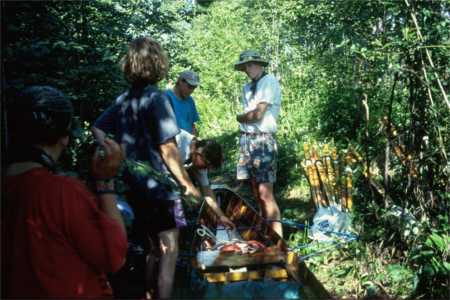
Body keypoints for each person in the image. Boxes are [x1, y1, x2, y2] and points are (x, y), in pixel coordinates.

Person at [92, 37, 202, 299]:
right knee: (169, 248)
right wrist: (188, 185)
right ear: (157, 63)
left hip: (129, 188)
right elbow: (168, 149)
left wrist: (112, 152)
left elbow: (97, 127)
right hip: (158, 190)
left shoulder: (123, 99)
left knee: (150, 248)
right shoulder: (158, 98)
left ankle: (148, 293)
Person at [2, 85, 128, 299]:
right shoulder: (61, 192)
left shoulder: (11, 186)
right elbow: (113, 256)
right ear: (64, 137)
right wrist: (105, 182)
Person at [234, 50, 283, 237]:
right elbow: (251, 116)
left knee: (265, 193)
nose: (248, 69)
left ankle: (278, 241)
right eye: (245, 66)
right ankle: (265, 234)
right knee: (254, 192)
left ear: (260, 64)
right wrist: (246, 119)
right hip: (247, 139)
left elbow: (257, 115)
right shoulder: (247, 88)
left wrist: (241, 117)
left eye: (251, 64)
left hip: (262, 140)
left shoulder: (269, 81)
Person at [176, 130, 234, 228]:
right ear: (199, 152)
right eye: (206, 165)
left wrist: (221, 216)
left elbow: (207, 192)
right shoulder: (179, 140)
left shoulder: (201, 160)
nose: (205, 169)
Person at [165, 70, 200, 135]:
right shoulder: (165, 97)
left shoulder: (190, 100)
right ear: (180, 81)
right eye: (190, 87)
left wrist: (194, 140)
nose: (192, 90)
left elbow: (192, 124)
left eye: (194, 88)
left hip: (188, 142)